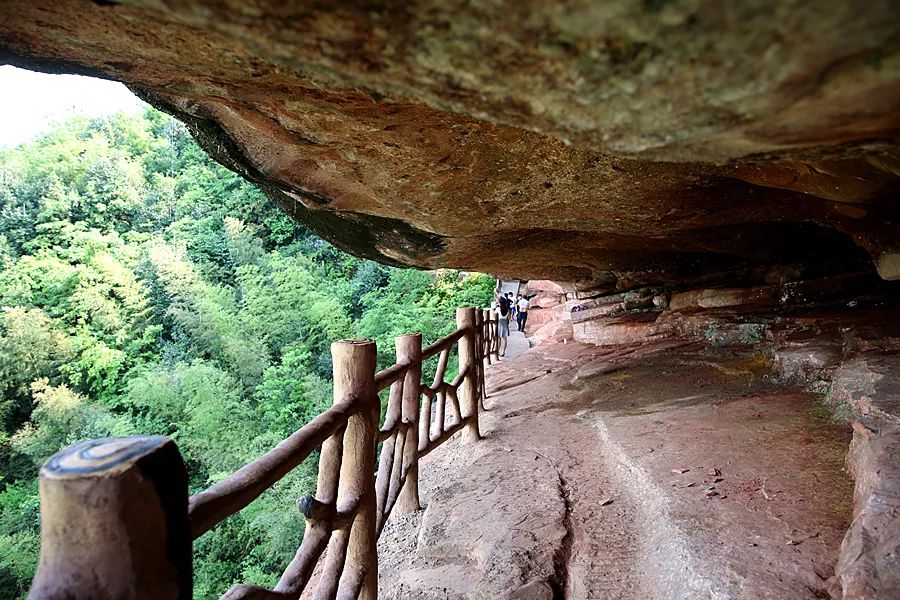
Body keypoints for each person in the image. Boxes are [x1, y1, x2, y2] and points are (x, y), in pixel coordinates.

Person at [493, 292, 511, 357]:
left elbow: (493, 315)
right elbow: (509, 318)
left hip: (499, 324)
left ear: (500, 303)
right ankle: (503, 352)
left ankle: (497, 351)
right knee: (505, 339)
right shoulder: (507, 310)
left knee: (498, 339)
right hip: (505, 325)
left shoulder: (498, 309)